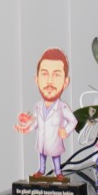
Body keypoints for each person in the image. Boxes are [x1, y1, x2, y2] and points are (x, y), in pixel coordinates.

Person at [15, 47, 78, 181]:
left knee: (55, 157)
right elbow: (36, 122)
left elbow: (73, 121)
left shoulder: (63, 107)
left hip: (55, 142)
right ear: (36, 79)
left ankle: (58, 172)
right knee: (42, 154)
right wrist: (27, 127)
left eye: (56, 75)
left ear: (65, 82)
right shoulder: (38, 106)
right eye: (44, 74)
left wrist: (65, 131)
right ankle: (41, 170)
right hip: (42, 141)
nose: (49, 81)